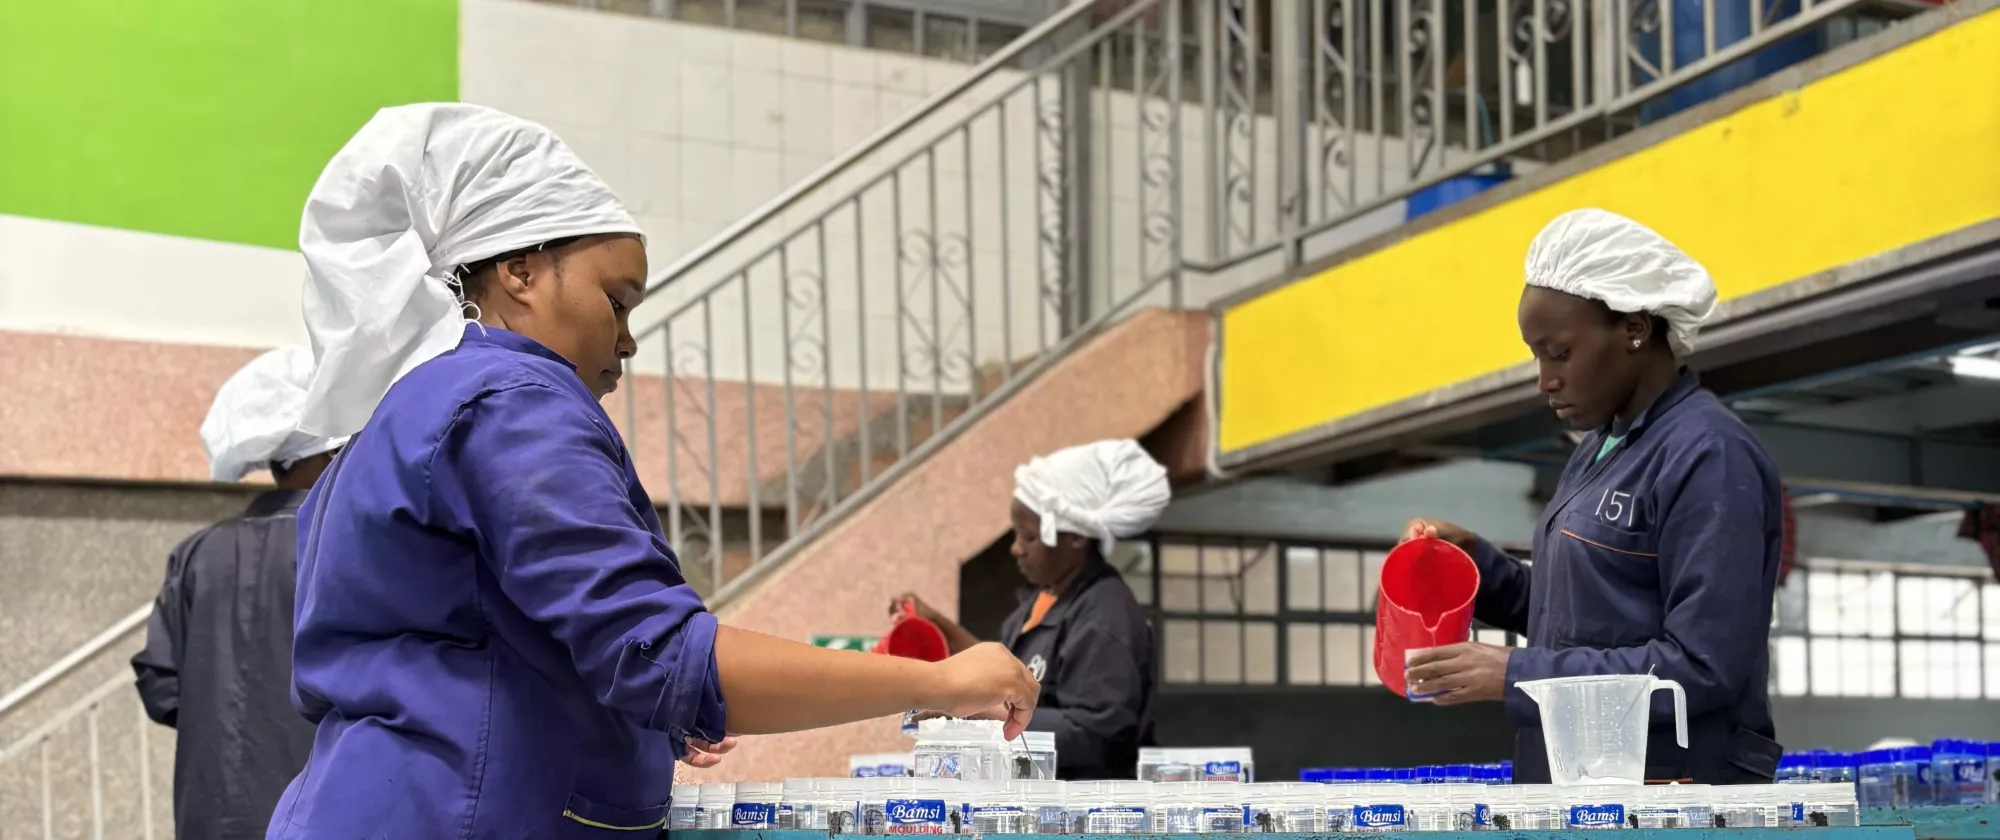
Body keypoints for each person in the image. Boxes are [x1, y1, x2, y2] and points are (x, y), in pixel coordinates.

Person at [268, 103, 1038, 839]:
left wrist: (633, 723)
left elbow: (485, 641)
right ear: (520, 270)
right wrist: (939, 682)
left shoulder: (407, 413)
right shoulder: (514, 403)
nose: (628, 341)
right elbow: (660, 653)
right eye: (617, 300)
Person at [1401, 208, 1784, 784]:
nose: (1544, 379)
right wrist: (1477, 563)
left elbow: (1703, 666)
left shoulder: (1707, 454)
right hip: (1584, 784)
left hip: (1672, 793)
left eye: (1559, 353)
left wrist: (1518, 676)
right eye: (1537, 356)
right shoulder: (1603, 448)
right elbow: (1581, 618)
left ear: (1634, 329)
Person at [132, 347, 346, 840]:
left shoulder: (197, 553)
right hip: (313, 815)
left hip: (207, 816)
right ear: (332, 451)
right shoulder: (346, 546)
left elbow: (160, 684)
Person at [895, 439, 1168, 780]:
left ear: (1076, 538)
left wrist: (977, 711)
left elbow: (1094, 735)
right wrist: (936, 623)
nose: (1015, 549)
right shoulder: (1044, 600)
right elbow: (1002, 672)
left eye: (1028, 537)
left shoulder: (1105, 617)